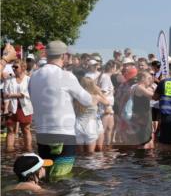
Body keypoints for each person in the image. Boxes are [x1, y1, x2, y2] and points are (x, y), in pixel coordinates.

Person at [27, 41, 92, 177]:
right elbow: (87, 100)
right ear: (64, 56)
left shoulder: (34, 76)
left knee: (45, 174)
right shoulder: (66, 75)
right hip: (63, 134)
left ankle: (41, 195)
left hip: (42, 133)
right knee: (62, 177)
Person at [74, 76, 110, 154]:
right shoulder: (96, 97)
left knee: (80, 154)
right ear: (92, 85)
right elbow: (107, 102)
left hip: (77, 125)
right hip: (90, 125)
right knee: (90, 154)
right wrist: (99, 91)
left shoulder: (76, 97)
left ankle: (80, 166)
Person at [4, 59, 33, 152]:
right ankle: (9, 149)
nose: (13, 68)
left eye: (16, 67)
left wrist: (13, 95)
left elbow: (28, 93)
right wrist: (5, 108)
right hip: (12, 107)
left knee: (26, 129)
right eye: (13, 67)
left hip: (25, 107)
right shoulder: (9, 79)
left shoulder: (29, 80)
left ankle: (28, 148)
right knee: (10, 129)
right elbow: (5, 94)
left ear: (23, 67)